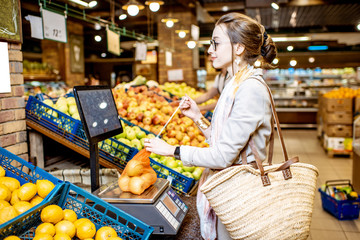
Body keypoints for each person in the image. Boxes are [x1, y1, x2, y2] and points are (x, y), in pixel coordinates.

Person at [144, 12, 277, 240]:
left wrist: (171, 150)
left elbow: (223, 156)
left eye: (216, 43)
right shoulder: (235, 84)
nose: (210, 50)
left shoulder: (250, 89)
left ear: (238, 48)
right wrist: (197, 117)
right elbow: (223, 140)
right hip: (228, 188)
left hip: (238, 193)